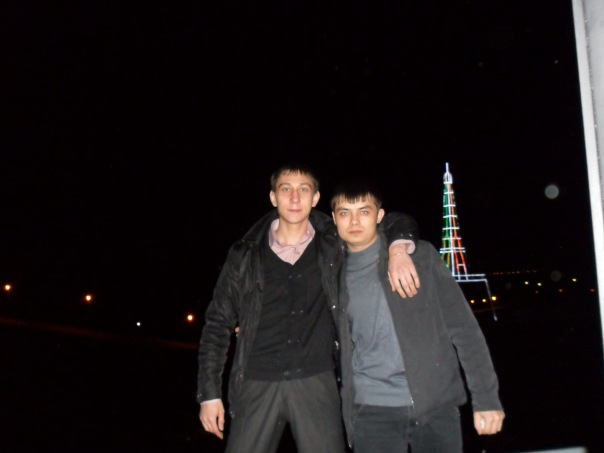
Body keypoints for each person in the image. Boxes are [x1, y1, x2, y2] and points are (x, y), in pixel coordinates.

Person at [196, 163, 421, 453]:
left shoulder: (333, 243)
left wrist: (399, 249)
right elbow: (217, 323)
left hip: (317, 382)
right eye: (285, 189)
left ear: (315, 198)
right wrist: (209, 394)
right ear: (273, 197)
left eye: (304, 190)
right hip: (256, 381)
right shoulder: (245, 253)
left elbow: (393, 220)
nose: (294, 198)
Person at [329, 180, 505, 453]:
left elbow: (464, 330)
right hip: (372, 410)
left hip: (436, 405)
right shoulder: (333, 275)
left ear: (379, 215)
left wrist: (486, 399)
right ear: (334, 218)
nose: (354, 221)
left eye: (364, 211)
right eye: (344, 212)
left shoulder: (421, 257)